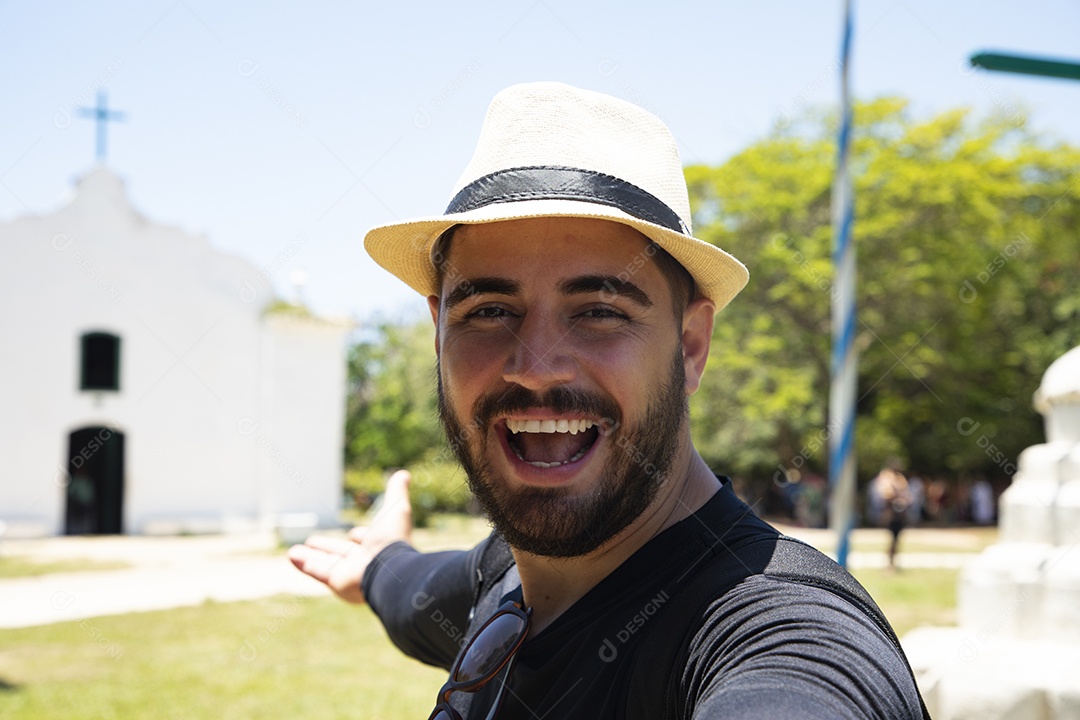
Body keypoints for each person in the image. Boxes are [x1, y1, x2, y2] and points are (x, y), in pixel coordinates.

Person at [288, 82, 928, 719]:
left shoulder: (774, 630)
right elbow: (410, 590)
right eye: (489, 310)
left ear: (690, 346)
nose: (536, 368)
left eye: (598, 310)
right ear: (437, 333)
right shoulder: (503, 579)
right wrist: (375, 565)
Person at [874, 464, 912, 570]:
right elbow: (887, 494)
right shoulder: (887, 478)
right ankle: (890, 562)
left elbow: (905, 494)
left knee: (896, 539)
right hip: (891, 514)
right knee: (892, 539)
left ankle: (892, 561)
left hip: (899, 514)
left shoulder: (899, 479)